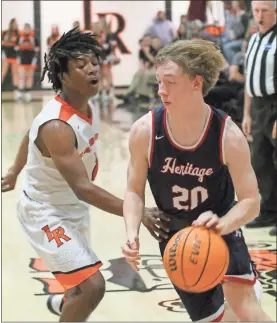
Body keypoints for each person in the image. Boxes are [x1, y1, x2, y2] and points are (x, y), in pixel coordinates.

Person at [1, 28, 169, 322]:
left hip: (71, 208)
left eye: (93, 62)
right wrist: (136, 212)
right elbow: (83, 187)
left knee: (77, 281)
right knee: (91, 287)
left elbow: (30, 132)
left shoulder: (81, 106)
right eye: (81, 65)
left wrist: (15, 170)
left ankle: (61, 303)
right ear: (64, 76)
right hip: (45, 213)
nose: (92, 68)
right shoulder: (57, 126)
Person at [121, 39, 272, 322]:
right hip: (176, 238)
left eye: (170, 82)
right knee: (215, 320)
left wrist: (223, 225)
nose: (161, 90)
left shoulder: (228, 135)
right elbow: (133, 190)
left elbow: (251, 200)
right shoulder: (145, 131)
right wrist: (132, 230)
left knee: (248, 311)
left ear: (195, 82)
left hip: (221, 230)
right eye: (158, 82)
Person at [241, 0, 277, 231]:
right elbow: (248, 80)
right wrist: (246, 113)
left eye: (265, 10)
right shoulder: (253, 39)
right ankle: (269, 211)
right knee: (260, 161)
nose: (259, 15)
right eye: (256, 10)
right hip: (257, 107)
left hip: (274, 106)